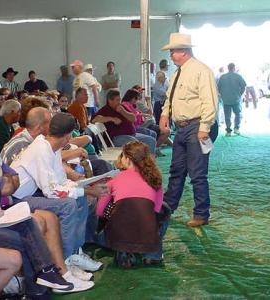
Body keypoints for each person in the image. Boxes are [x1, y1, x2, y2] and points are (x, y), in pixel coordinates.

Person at [11, 113, 107, 266]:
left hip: (32, 193)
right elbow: (52, 191)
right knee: (68, 204)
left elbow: (61, 182)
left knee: (79, 197)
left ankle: (75, 251)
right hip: (17, 199)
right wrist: (87, 190)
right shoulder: (42, 149)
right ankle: (65, 260)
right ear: (68, 136)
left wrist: (86, 187)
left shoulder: (50, 146)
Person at [159, 33, 218, 227]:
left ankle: (201, 214)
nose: (171, 55)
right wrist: (164, 114)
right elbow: (171, 98)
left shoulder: (201, 71)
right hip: (184, 127)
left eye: (173, 51)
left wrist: (204, 127)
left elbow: (210, 101)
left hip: (196, 126)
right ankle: (168, 206)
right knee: (177, 170)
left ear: (182, 51)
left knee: (197, 173)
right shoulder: (178, 72)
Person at [96, 141, 165, 267]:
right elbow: (156, 209)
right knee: (165, 210)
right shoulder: (156, 179)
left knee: (115, 209)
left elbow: (100, 210)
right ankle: (153, 254)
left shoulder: (113, 180)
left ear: (127, 159)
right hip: (146, 233)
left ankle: (124, 251)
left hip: (118, 234)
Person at [92, 90, 156, 154]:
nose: (119, 102)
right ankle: (138, 163)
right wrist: (111, 119)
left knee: (151, 141)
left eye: (120, 99)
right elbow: (94, 119)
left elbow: (133, 119)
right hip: (117, 137)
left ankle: (149, 163)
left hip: (132, 134)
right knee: (136, 145)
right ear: (110, 100)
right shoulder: (105, 110)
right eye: (117, 100)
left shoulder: (122, 107)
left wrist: (123, 112)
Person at [217, 63, 246, 136]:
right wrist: (239, 94)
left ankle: (228, 131)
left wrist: (223, 95)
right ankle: (236, 129)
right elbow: (243, 86)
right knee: (237, 114)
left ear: (228, 68)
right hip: (236, 99)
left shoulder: (223, 77)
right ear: (234, 68)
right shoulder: (238, 76)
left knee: (227, 116)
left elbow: (218, 88)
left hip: (226, 99)